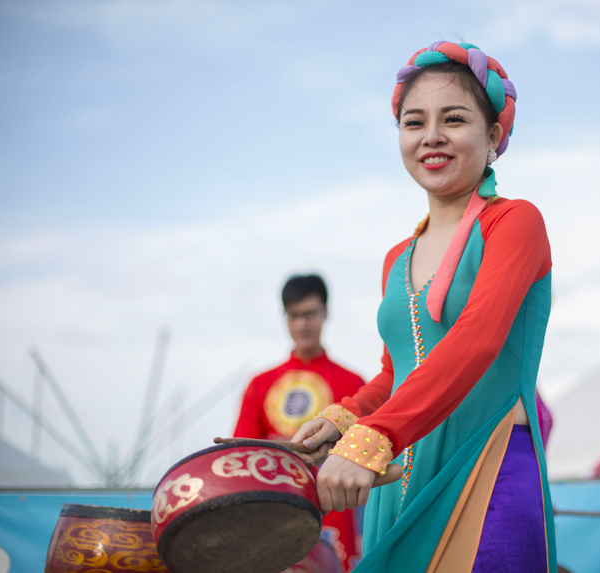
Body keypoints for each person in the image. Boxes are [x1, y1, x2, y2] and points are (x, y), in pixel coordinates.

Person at [292, 41, 555, 572]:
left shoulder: (514, 222)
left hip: (486, 466)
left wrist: (376, 435)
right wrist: (345, 419)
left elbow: (477, 339)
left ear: (493, 136)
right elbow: (398, 371)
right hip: (394, 473)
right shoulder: (397, 257)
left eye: (453, 119)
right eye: (414, 122)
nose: (431, 136)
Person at [233, 273, 365, 572]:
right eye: (294, 316)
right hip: (274, 510)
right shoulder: (260, 384)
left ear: (325, 312)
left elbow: (367, 451)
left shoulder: (353, 383)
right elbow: (241, 453)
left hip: (335, 509)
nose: (302, 324)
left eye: (309, 314)